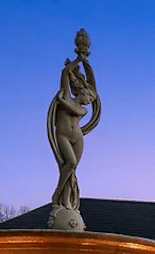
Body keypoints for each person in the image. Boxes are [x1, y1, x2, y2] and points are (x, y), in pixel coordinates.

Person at [47, 30, 100, 214]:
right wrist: (79, 60)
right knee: (69, 163)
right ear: (81, 91)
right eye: (89, 95)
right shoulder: (66, 94)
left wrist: (61, 101)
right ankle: (57, 195)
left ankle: (67, 203)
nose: (89, 100)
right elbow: (65, 72)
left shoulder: (80, 108)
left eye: (92, 98)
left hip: (77, 137)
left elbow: (76, 110)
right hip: (62, 135)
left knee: (72, 170)